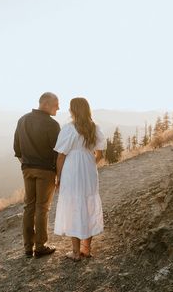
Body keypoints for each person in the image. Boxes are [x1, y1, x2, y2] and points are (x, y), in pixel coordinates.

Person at [54, 97, 106, 261]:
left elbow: (61, 156)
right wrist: (90, 163)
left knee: (74, 205)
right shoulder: (95, 128)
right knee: (87, 204)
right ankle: (87, 249)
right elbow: (100, 154)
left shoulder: (69, 129)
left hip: (72, 170)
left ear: (72, 110)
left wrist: (59, 177)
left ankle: (76, 253)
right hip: (88, 170)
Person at [14, 92, 60, 258]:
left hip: (27, 169)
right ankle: (40, 246)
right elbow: (58, 152)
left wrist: (26, 165)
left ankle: (28, 247)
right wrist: (57, 173)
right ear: (46, 104)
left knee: (29, 207)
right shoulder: (52, 125)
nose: (58, 108)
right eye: (56, 104)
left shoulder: (22, 120)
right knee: (42, 208)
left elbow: (17, 149)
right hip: (45, 171)